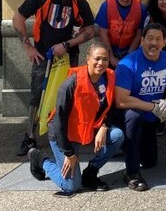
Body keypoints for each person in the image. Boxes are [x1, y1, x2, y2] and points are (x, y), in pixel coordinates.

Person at [12, 0, 95, 156]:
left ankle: (64, 133)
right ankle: (30, 136)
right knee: (37, 95)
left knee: (68, 95)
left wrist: (67, 44)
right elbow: (18, 18)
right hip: (42, 56)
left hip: (69, 57)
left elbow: (89, 30)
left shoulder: (79, 2)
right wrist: (28, 47)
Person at [27, 43, 124, 194]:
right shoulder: (71, 83)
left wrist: (104, 127)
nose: (101, 63)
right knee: (70, 186)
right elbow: (59, 120)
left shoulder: (110, 76)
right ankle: (40, 159)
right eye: (97, 59)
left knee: (117, 135)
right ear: (88, 59)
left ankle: (91, 172)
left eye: (105, 59)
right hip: (64, 134)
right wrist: (69, 153)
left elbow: (110, 106)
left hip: (89, 126)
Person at [114, 23, 166, 191]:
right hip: (129, 115)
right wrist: (151, 107)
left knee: (150, 161)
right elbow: (120, 100)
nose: (154, 43)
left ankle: (126, 145)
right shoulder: (127, 63)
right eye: (150, 38)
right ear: (142, 40)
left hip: (151, 118)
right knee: (134, 117)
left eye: (158, 39)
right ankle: (131, 173)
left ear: (164, 42)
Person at [95, 0, 147, 68]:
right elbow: (103, 34)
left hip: (130, 50)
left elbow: (139, 34)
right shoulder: (106, 6)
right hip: (109, 49)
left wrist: (129, 56)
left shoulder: (141, 8)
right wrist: (111, 58)